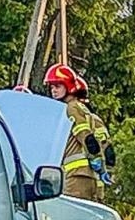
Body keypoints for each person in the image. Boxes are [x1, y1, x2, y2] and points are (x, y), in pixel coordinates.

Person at [46, 64, 112, 201]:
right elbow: (108, 149)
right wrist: (106, 170)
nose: (53, 91)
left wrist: (95, 158)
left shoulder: (71, 108)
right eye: (52, 87)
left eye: (57, 86)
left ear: (68, 86)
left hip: (75, 176)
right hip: (90, 176)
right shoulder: (90, 114)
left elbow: (86, 136)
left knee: (69, 217)